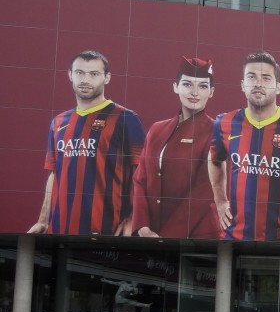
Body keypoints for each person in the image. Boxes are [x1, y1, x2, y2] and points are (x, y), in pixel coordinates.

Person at [29, 50, 145, 236]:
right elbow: (54, 174)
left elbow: (141, 174)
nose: (85, 79)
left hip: (108, 229)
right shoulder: (58, 122)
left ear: (107, 78)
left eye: (94, 74)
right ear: (70, 75)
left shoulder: (125, 118)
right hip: (59, 229)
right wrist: (43, 220)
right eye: (79, 73)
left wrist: (133, 218)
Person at [208, 51, 280, 241]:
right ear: (243, 85)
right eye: (251, 77)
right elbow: (215, 160)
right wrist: (220, 200)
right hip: (235, 236)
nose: (258, 83)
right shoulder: (225, 122)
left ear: (279, 87)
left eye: (266, 78)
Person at [133, 57, 219, 240]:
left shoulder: (216, 132)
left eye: (203, 86)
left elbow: (205, 191)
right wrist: (142, 227)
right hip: (151, 234)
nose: (194, 92)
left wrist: (166, 237)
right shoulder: (157, 129)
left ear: (211, 92)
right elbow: (140, 180)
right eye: (187, 84)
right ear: (175, 87)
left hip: (197, 237)